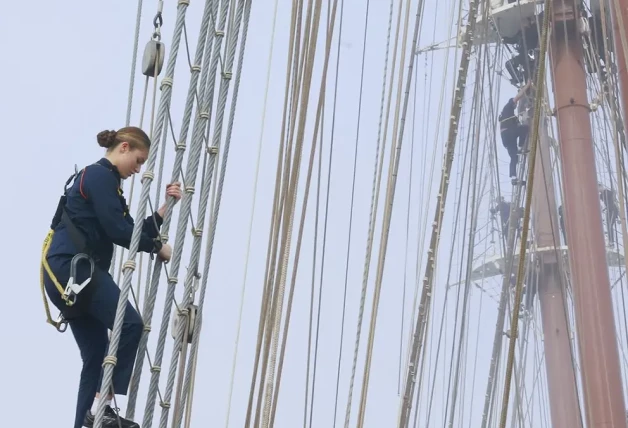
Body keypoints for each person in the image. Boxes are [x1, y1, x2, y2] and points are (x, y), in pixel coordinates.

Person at [42, 127, 182, 428]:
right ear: (124, 147)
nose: (139, 169)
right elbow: (120, 232)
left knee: (96, 357)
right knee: (131, 325)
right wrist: (157, 246)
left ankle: (85, 422)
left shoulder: (106, 184)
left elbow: (128, 229)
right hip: (73, 270)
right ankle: (102, 410)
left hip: (68, 276)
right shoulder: (100, 176)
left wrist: (161, 213)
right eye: (138, 159)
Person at [499, 81, 531, 185]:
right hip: (509, 133)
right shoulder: (508, 107)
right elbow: (517, 97)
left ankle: (514, 178)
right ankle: (521, 148)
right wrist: (527, 86)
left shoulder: (507, 115)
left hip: (506, 139)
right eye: (515, 105)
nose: (515, 106)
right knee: (525, 128)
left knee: (514, 157)